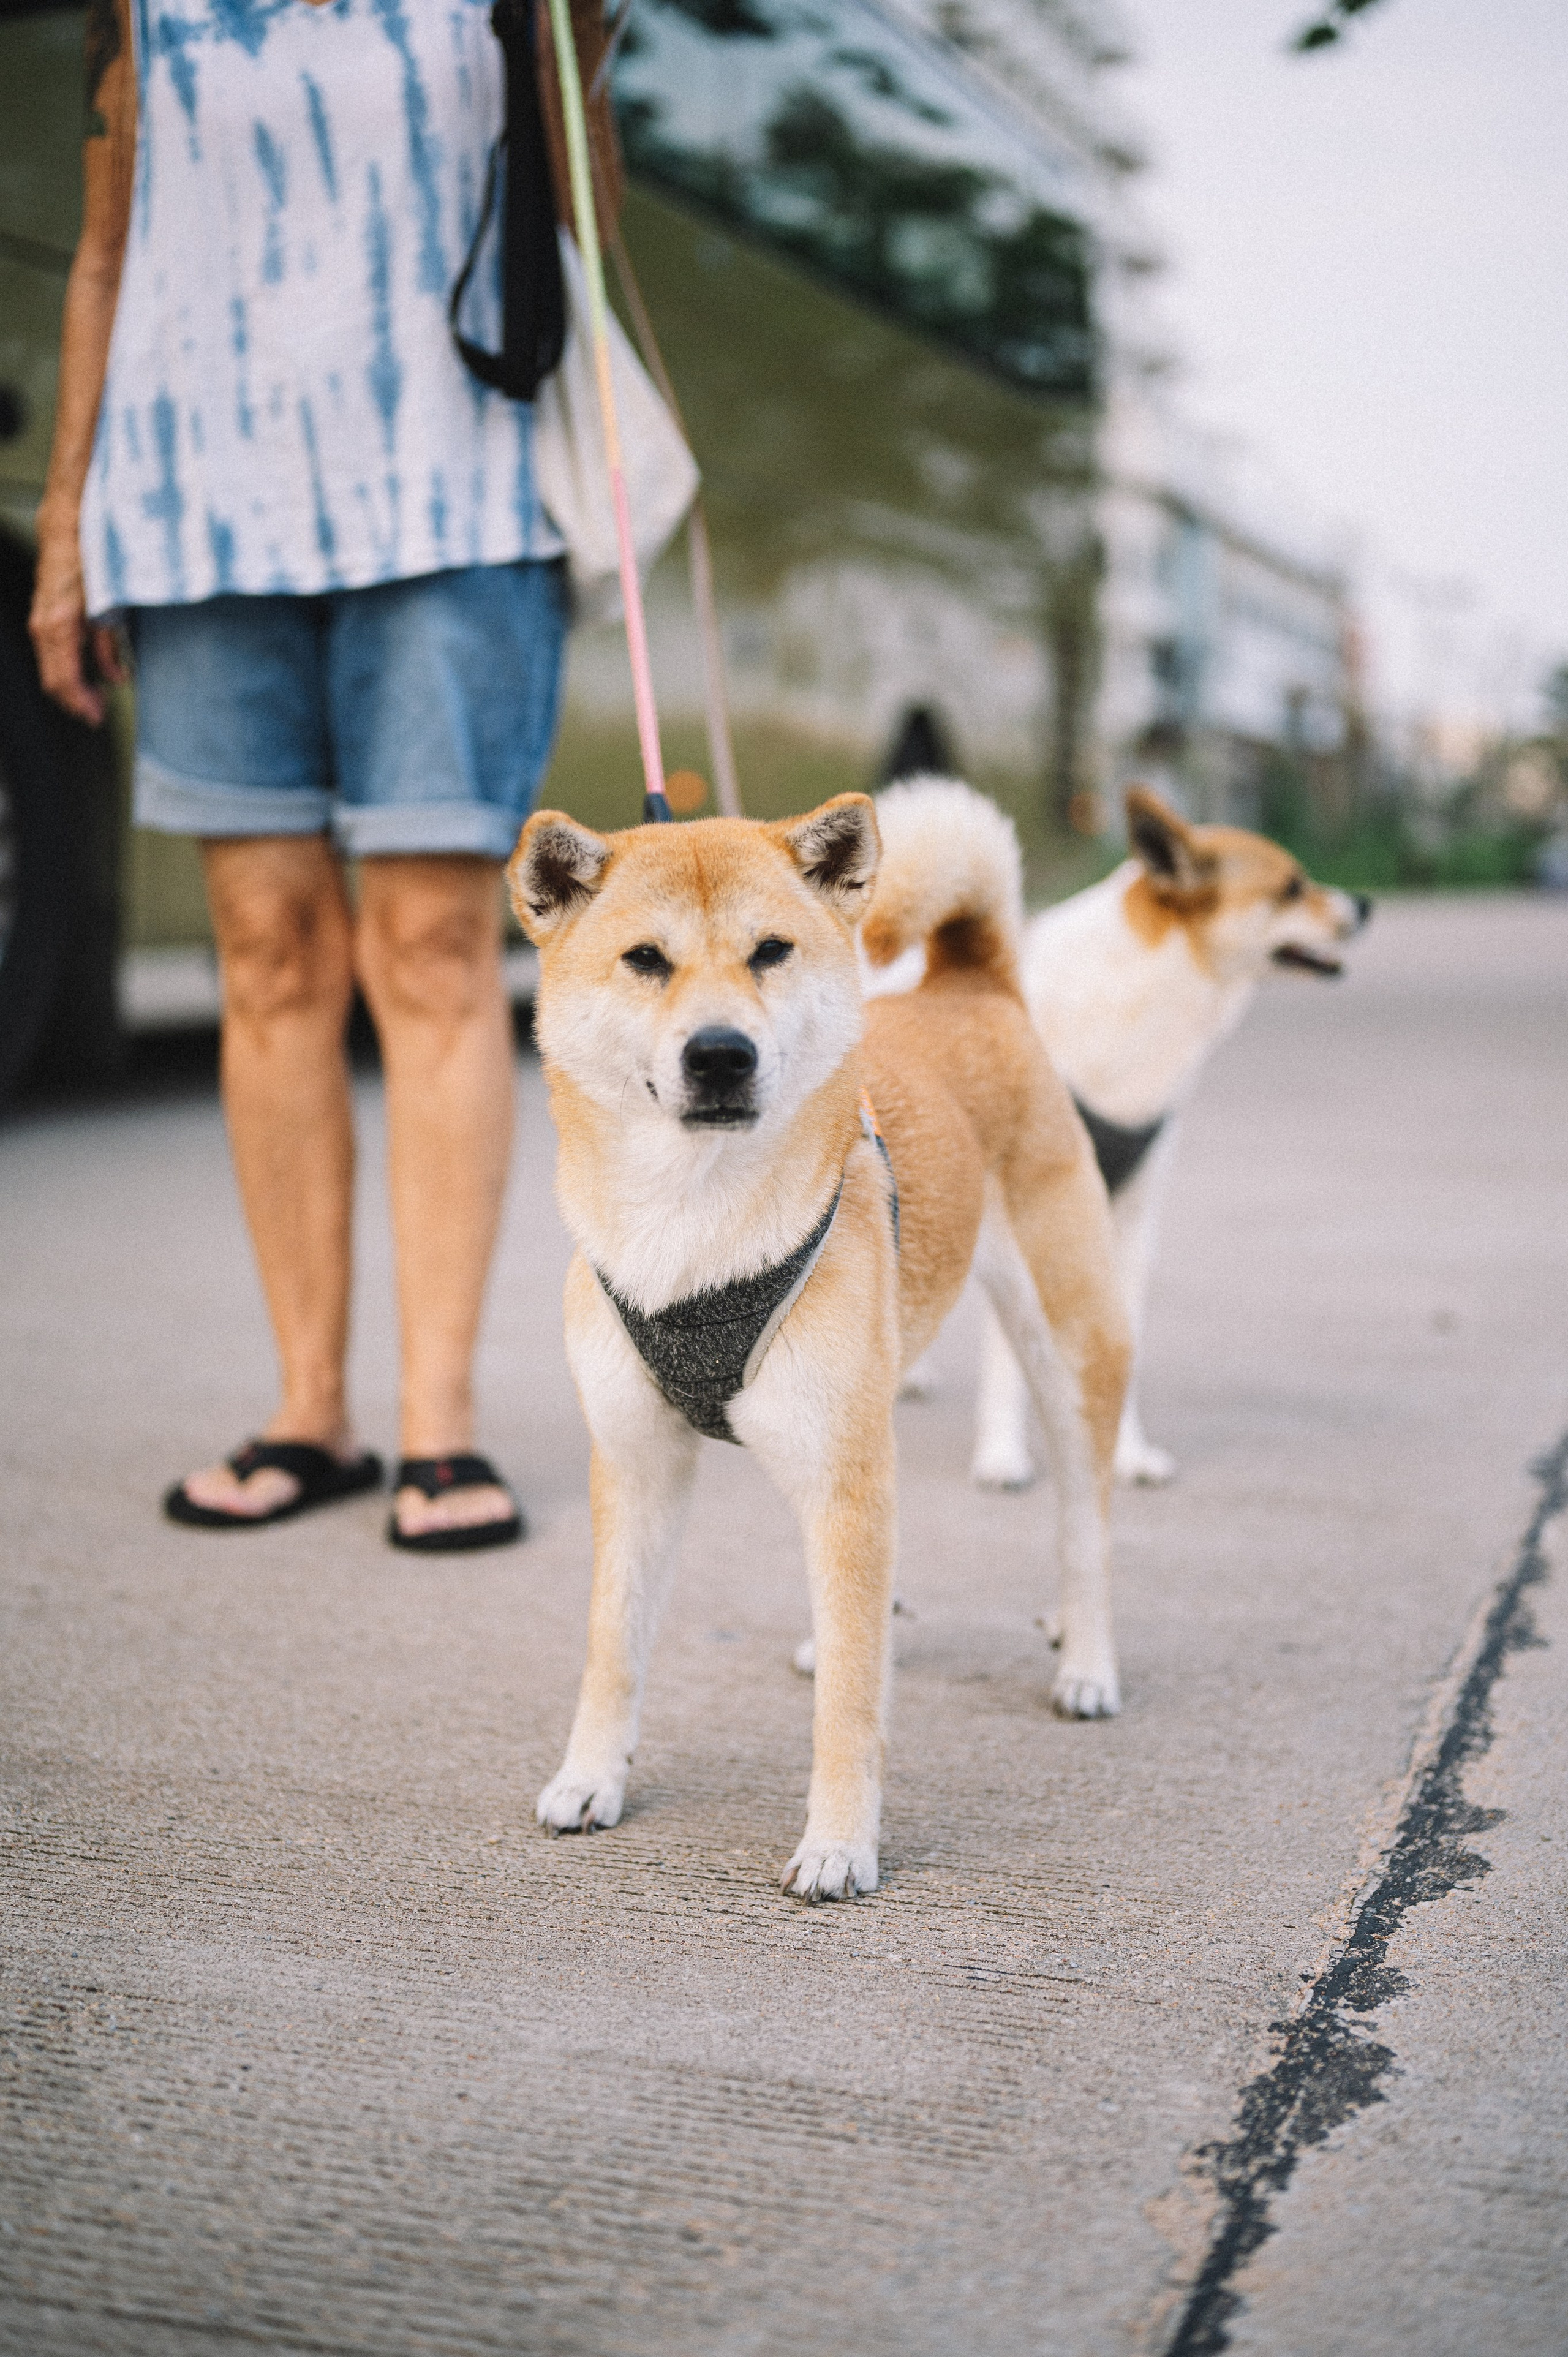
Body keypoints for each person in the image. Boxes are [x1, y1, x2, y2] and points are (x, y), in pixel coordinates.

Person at [30, 0, 577, 1550]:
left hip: (453, 501)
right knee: (267, 953)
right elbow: (104, 252)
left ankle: (439, 1429)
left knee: (433, 946)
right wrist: (70, 520)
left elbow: (580, 194)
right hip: (200, 509)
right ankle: (309, 1409)